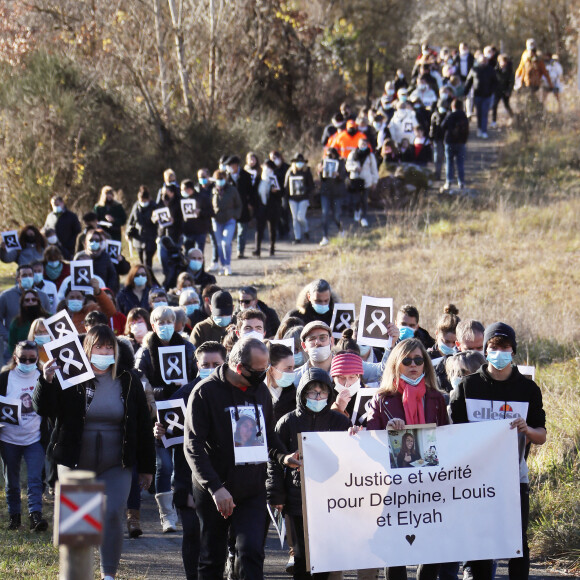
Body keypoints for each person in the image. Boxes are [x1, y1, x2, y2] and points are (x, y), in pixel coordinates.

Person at [33, 325, 155, 580]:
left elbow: (143, 426)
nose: (104, 351)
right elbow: (45, 409)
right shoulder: (71, 379)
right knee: (79, 522)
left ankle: (108, 574)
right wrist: (46, 381)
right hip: (76, 462)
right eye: (98, 346)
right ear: (86, 349)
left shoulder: (128, 379)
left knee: (112, 514)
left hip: (116, 463)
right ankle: (76, 574)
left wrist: (147, 467)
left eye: (109, 346)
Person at [184, 337, 300, 580]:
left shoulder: (260, 391)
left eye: (266, 368)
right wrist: (216, 488)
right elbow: (193, 446)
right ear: (239, 367)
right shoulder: (205, 393)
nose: (264, 375)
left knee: (251, 552)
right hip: (214, 489)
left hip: (252, 489)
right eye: (259, 371)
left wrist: (284, 457)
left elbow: (267, 435)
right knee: (212, 558)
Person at [450, 322, 546, 580]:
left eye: (505, 347)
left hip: (514, 477)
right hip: (476, 478)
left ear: (513, 350)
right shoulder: (467, 386)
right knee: (481, 542)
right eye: (494, 347)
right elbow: (454, 434)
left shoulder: (528, 389)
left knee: (517, 542)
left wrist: (527, 430)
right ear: (485, 349)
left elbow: (542, 436)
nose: (499, 352)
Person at [366, 338, 449, 580]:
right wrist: (388, 430)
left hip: (430, 482)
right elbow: (370, 438)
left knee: (431, 545)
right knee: (395, 548)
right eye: (406, 360)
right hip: (394, 485)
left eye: (418, 360)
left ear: (425, 364)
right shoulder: (380, 399)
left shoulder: (437, 398)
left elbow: (446, 435)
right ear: (395, 364)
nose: (413, 365)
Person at [267, 367, 350, 580]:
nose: (317, 397)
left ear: (329, 394)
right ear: (302, 394)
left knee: (323, 557)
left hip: (330, 499)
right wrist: (275, 494)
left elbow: (351, 455)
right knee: (301, 559)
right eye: (312, 392)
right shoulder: (287, 422)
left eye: (322, 392)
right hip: (296, 499)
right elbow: (274, 458)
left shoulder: (340, 422)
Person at [153, 341, 227, 580]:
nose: (211, 368)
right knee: (194, 534)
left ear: (225, 364)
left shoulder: (233, 393)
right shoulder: (181, 396)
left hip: (226, 479)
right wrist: (159, 434)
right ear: (197, 365)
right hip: (189, 480)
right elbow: (170, 443)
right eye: (206, 364)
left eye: (216, 364)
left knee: (219, 538)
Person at [135, 305, 196, 533]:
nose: (165, 326)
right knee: (164, 464)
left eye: (169, 322)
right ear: (153, 325)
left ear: (176, 323)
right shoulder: (145, 352)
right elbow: (140, 381)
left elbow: (196, 377)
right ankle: (166, 516)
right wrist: (162, 391)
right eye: (160, 322)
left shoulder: (188, 348)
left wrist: (185, 387)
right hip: (158, 415)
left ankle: (184, 508)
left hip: (184, 413)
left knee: (182, 465)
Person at [0, 340, 48, 532]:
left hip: (34, 438)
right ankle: (14, 517)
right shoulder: (5, 378)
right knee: (11, 480)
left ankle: (35, 514)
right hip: (8, 438)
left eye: (32, 359)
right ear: (15, 358)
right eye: (23, 359)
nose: (27, 363)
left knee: (35, 478)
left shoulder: (42, 377)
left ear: (37, 359)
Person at [0, 265, 51, 362]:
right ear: (17, 278)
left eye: (30, 275)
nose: (28, 277)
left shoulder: (43, 296)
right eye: (24, 275)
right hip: (15, 346)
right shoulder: (6, 296)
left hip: (42, 348)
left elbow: (49, 319)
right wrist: (7, 335)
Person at [208, 169, 242, 276]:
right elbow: (209, 205)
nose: (219, 181)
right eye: (217, 179)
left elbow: (239, 205)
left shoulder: (232, 190)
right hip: (216, 220)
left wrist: (235, 215)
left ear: (225, 179)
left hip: (229, 220)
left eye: (221, 179)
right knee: (218, 244)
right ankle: (222, 265)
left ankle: (228, 265)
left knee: (226, 242)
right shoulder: (213, 191)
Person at [224, 155, 256, 260]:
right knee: (229, 231)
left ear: (236, 165)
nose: (230, 167)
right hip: (230, 208)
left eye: (231, 165)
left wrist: (251, 203)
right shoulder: (225, 177)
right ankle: (227, 252)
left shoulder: (245, 176)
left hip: (243, 207)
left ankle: (240, 250)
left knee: (242, 230)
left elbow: (251, 191)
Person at [345, 137, 378, 228]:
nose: (363, 146)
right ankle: (357, 212)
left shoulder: (370, 156)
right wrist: (354, 168)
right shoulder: (352, 154)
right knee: (356, 199)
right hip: (355, 179)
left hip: (366, 180)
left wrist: (374, 181)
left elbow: (374, 170)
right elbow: (347, 165)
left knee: (364, 199)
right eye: (361, 144)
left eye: (364, 144)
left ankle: (364, 217)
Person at [253, 160, 283, 257]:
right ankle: (257, 249)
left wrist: (276, 192)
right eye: (265, 167)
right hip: (261, 207)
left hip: (272, 208)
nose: (267, 170)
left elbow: (282, 193)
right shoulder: (258, 179)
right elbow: (254, 193)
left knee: (272, 229)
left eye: (269, 168)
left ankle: (272, 248)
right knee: (259, 229)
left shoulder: (276, 178)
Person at [464, 55, 498, 139]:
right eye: (482, 60)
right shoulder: (474, 70)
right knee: (479, 113)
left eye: (485, 60)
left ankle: (484, 131)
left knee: (485, 113)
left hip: (487, 95)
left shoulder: (491, 70)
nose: (484, 62)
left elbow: (495, 82)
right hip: (477, 95)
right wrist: (465, 92)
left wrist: (493, 91)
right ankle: (479, 128)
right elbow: (469, 82)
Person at [317, 147, 345, 245]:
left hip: (337, 193)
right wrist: (320, 172)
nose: (329, 156)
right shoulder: (323, 162)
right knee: (325, 214)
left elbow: (344, 176)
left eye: (331, 154)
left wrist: (338, 175)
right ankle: (325, 236)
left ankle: (341, 230)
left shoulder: (340, 163)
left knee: (336, 215)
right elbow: (321, 179)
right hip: (326, 192)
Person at [285, 154, 315, 244]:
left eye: (301, 162)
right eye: (298, 162)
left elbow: (312, 186)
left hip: (303, 198)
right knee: (295, 218)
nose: (299, 164)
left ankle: (306, 229)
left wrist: (305, 189)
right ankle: (297, 237)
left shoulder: (307, 172)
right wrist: (285, 198)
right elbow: (286, 186)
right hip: (292, 199)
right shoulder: (290, 172)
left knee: (300, 217)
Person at [441, 98, 469, 191]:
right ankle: (461, 182)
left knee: (449, 162)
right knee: (460, 163)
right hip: (461, 142)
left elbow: (443, 126)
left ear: (453, 106)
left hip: (449, 142)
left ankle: (449, 181)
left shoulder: (450, 115)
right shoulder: (464, 116)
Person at [8, 290, 49, 354]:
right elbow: (12, 345)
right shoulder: (16, 323)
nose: (30, 302)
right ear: (23, 303)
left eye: (33, 299)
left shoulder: (49, 318)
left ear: (38, 302)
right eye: (27, 300)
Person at [126, 186, 158, 269]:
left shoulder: (154, 206)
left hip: (150, 237)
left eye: (144, 200)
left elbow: (159, 223)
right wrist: (127, 232)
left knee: (148, 260)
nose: (143, 202)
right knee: (140, 260)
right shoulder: (136, 206)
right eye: (141, 200)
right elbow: (131, 220)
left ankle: (149, 276)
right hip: (138, 237)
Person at [80, 228, 120, 293]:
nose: (94, 242)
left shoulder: (105, 257)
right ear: (86, 242)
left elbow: (112, 276)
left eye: (97, 240)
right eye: (91, 240)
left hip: (102, 293)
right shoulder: (80, 256)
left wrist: (108, 291)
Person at [42, 195, 81, 260]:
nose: (55, 206)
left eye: (57, 204)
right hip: (54, 248)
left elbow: (77, 232)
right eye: (53, 205)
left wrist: (71, 244)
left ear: (62, 203)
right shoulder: (50, 216)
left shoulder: (71, 216)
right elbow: (45, 228)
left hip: (68, 249)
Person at [181, 178, 213, 253]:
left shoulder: (202, 198)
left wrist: (200, 212)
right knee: (187, 254)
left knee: (199, 254)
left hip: (200, 230)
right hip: (187, 231)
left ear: (189, 189)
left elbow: (211, 212)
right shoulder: (181, 199)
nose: (182, 191)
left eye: (183, 189)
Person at [266, 343, 296, 422]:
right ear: (271, 370)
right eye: (288, 368)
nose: (292, 372)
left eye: (293, 367)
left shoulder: (296, 397)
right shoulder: (258, 394)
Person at [491, 54, 514, 127]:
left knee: (507, 105)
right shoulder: (495, 70)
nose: (503, 63)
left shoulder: (509, 70)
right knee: (494, 106)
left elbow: (511, 82)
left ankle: (513, 118)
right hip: (497, 91)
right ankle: (494, 121)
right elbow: (492, 81)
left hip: (505, 91)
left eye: (505, 61)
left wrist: (509, 91)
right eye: (502, 61)